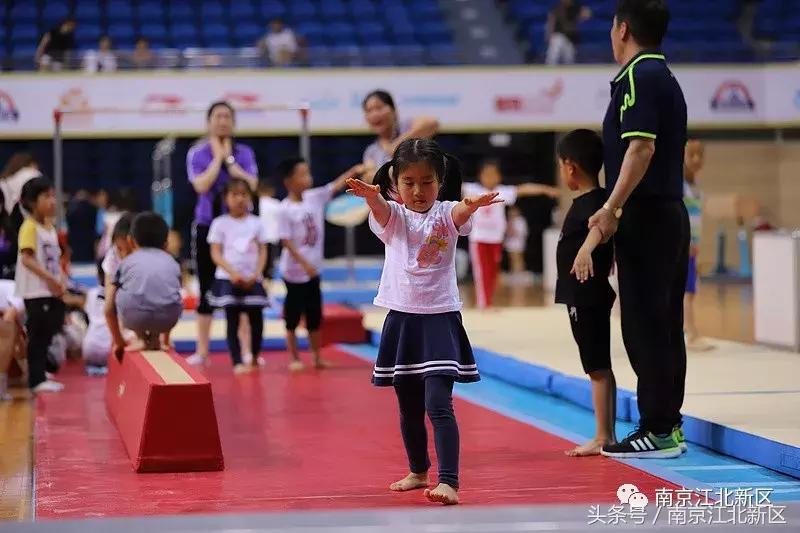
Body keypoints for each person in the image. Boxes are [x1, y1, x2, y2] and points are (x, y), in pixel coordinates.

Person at [347, 138, 502, 506]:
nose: (418, 191)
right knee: (409, 406)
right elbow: (383, 212)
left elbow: (459, 215)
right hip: (402, 320)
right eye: (409, 183)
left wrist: (470, 206)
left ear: (441, 179)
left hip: (439, 320)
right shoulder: (393, 217)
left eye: (427, 182)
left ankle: (449, 480)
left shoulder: (446, 213)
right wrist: (372, 197)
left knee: (438, 403)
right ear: (396, 183)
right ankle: (418, 470)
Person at [590, 0, 688, 459]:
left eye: (612, 28)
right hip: (662, 215)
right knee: (661, 325)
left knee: (647, 325)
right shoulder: (659, 75)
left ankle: (660, 427)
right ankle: (666, 424)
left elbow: (641, 150)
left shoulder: (640, 76)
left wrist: (611, 206)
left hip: (648, 216)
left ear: (623, 29)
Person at [554, 129, 617, 457]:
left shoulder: (595, 205)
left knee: (596, 366)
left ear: (570, 167)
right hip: (584, 296)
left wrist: (585, 251)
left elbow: (600, 229)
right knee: (598, 365)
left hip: (587, 297)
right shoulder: (593, 202)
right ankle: (605, 432)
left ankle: (603, 435)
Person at [187, 101, 258, 366]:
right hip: (208, 224)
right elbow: (201, 185)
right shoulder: (197, 153)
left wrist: (229, 159)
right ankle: (202, 351)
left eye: (227, 116)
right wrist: (217, 157)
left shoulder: (244, 153)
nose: (222, 121)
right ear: (208, 123)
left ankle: (246, 351)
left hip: (240, 226)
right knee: (206, 287)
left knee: (241, 287)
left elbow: (251, 184)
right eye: (217, 116)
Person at [277, 158, 364, 371]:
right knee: (293, 316)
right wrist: (303, 263)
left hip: (313, 270)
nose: (308, 178)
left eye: (308, 173)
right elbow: (286, 241)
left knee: (314, 314)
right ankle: (294, 357)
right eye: (302, 174)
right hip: (294, 272)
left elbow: (336, 185)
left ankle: (316, 356)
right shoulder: (284, 209)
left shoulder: (314, 197)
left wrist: (354, 170)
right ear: (288, 181)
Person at [462, 160, 559, 309]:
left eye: (493, 175)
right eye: (486, 175)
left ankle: (489, 301)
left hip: (496, 238)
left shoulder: (502, 191)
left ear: (499, 177)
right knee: (482, 272)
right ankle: (484, 303)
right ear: (480, 176)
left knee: (493, 271)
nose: (490, 178)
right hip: (479, 238)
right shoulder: (472, 189)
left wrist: (546, 189)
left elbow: (525, 189)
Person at [207, 178, 270, 374]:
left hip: (253, 278)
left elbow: (263, 251)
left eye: (244, 194)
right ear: (226, 198)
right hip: (229, 278)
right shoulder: (220, 223)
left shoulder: (256, 223)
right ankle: (236, 361)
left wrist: (257, 273)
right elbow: (215, 252)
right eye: (234, 195)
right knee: (232, 321)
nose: (240, 199)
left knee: (256, 320)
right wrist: (232, 273)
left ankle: (254, 356)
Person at [105, 212, 182, 359]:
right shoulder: (172, 262)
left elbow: (108, 308)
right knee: (166, 295)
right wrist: (165, 341)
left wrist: (118, 342)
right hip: (168, 320)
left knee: (123, 292)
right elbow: (174, 297)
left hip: (134, 319)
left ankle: (141, 338)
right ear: (166, 244)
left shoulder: (126, 262)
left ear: (131, 241)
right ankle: (155, 339)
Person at [14, 177, 66, 393]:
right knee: (37, 334)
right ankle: (35, 380)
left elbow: (56, 258)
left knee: (46, 332)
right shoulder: (29, 227)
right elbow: (27, 259)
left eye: (53, 196)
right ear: (33, 202)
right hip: (36, 290)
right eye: (47, 196)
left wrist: (60, 279)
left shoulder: (50, 226)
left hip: (49, 289)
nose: (53, 201)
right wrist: (50, 279)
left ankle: (40, 371)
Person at [682, 140, 714, 352]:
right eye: (691, 154)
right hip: (682, 245)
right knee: (687, 291)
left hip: (693, 245)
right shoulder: (679, 184)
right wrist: (686, 242)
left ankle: (688, 331)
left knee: (690, 290)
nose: (696, 159)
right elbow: (679, 216)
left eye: (700, 155)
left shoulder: (696, 184)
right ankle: (690, 332)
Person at [362, 90, 440, 176]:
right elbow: (370, 176)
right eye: (369, 111)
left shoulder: (406, 126)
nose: (374, 114)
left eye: (379, 108)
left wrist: (399, 144)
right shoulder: (372, 151)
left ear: (393, 110)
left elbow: (432, 123)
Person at [82, 264, 111, 376]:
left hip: (89, 348)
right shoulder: (119, 294)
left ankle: (94, 366)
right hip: (109, 350)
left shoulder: (91, 293)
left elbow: (88, 317)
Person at [0, 279, 26, 400]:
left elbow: (21, 353)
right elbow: (8, 318)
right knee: (7, 331)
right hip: (6, 318)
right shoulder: (21, 294)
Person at [545, 0, 592, 65]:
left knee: (569, 58)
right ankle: (549, 68)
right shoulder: (557, 7)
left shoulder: (576, 7)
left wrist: (580, 18)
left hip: (570, 39)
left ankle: (569, 72)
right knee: (557, 42)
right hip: (558, 36)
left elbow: (588, 13)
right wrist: (548, 35)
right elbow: (551, 21)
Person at [258, 180, 281, 281]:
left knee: (259, 265)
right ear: (272, 191)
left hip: (260, 240)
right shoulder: (277, 205)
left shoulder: (255, 204)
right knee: (269, 268)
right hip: (272, 238)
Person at [504, 206, 529, 284]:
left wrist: (513, 232)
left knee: (518, 259)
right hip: (510, 243)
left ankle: (520, 275)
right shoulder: (509, 220)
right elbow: (506, 231)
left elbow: (522, 232)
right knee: (512, 259)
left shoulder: (521, 220)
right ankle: (514, 275)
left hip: (518, 243)